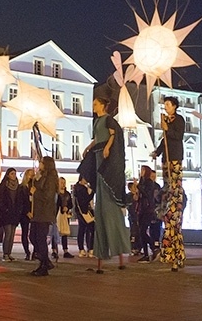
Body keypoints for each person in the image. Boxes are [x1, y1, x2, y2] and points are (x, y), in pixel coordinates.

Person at [79, 97, 129, 274]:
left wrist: (108, 147)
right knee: (100, 206)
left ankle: (119, 250)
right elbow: (98, 138)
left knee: (109, 206)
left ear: (102, 105)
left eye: (95, 104)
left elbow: (113, 134)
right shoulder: (96, 121)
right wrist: (89, 146)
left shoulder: (108, 119)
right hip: (99, 157)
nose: (92, 106)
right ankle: (101, 253)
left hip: (106, 160)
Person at [150, 96, 185, 271]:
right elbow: (164, 141)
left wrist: (167, 128)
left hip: (175, 160)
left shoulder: (178, 120)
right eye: (165, 105)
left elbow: (176, 136)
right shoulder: (167, 121)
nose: (166, 107)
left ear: (175, 106)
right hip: (166, 161)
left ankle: (174, 196)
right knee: (167, 189)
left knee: (174, 191)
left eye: (168, 104)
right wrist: (157, 152)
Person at [30, 156, 59, 276]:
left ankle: (44, 265)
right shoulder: (42, 176)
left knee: (40, 238)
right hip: (38, 212)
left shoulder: (51, 178)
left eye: (41, 162)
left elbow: (48, 196)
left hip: (44, 213)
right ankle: (45, 262)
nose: (39, 164)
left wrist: (35, 192)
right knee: (33, 236)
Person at [0, 168, 23, 262]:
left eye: (15, 173)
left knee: (12, 235)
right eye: (12, 173)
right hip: (6, 214)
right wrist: (5, 209)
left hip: (14, 213)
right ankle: (5, 254)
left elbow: (19, 200)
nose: (14, 175)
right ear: (7, 175)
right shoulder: (3, 186)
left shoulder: (17, 186)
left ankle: (9, 253)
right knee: (8, 233)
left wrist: (19, 210)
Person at [136, 166, 158, 262]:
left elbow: (147, 194)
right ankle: (147, 252)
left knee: (143, 230)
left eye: (143, 170)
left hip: (147, 210)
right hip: (142, 209)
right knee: (141, 232)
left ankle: (153, 247)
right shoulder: (144, 182)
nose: (141, 172)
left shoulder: (150, 183)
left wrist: (139, 186)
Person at [52, 177, 74, 259]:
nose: (63, 184)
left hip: (65, 215)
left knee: (64, 232)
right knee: (55, 232)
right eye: (61, 182)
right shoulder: (55, 193)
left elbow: (71, 204)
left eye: (64, 182)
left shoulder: (67, 194)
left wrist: (67, 208)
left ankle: (65, 250)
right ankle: (54, 250)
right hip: (56, 214)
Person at [19, 169, 34, 260]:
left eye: (33, 175)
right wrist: (26, 211)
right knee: (25, 233)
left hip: (33, 212)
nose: (31, 177)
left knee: (34, 234)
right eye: (30, 175)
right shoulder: (22, 187)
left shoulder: (34, 187)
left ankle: (35, 252)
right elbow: (22, 201)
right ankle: (27, 252)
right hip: (24, 213)